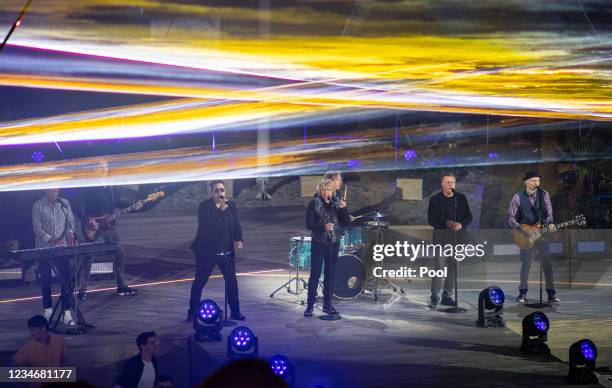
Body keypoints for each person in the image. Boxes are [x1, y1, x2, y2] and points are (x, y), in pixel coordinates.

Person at [188, 180, 245, 322]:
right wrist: (220, 211)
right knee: (200, 281)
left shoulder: (230, 205)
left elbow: (235, 223)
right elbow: (208, 228)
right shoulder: (204, 207)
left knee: (232, 282)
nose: (220, 193)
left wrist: (239, 239)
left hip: (226, 252)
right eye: (217, 191)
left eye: (222, 190)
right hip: (207, 252)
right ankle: (192, 312)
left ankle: (235, 311)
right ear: (211, 192)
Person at [76, 186, 139, 299]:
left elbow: (117, 203)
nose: (104, 171)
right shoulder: (87, 186)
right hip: (93, 226)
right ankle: (82, 290)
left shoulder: (110, 186)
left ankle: (121, 286)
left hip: (110, 225)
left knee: (119, 252)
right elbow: (79, 207)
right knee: (89, 256)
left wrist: (135, 205)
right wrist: (88, 220)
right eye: (100, 168)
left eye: (105, 168)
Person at [507, 171, 559, 304]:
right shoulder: (518, 196)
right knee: (526, 264)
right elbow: (510, 217)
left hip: (542, 234)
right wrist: (521, 229)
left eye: (537, 180)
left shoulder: (544, 194)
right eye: (532, 180)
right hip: (525, 235)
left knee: (547, 264)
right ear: (526, 182)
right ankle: (522, 293)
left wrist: (550, 223)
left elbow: (549, 213)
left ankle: (551, 294)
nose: (535, 183)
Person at [304, 179, 351, 317]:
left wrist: (344, 208)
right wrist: (323, 227)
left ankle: (327, 305)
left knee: (330, 275)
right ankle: (310, 305)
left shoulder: (337, 203)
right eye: (323, 190)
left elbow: (345, 222)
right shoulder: (314, 203)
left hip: (333, 243)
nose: (326, 192)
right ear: (320, 191)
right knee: (315, 274)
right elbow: (309, 224)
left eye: (328, 190)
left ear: (333, 191)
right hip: (319, 242)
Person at [32, 188, 77, 324]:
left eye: (56, 192)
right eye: (52, 191)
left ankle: (66, 313)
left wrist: (70, 234)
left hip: (61, 248)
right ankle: (48, 310)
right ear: (45, 191)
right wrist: (50, 239)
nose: (54, 194)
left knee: (68, 277)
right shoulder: (38, 205)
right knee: (46, 278)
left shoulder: (64, 203)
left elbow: (71, 222)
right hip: (44, 248)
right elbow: (37, 227)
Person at [427, 173, 473, 308]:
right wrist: (446, 223)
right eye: (447, 182)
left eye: (452, 182)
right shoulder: (435, 200)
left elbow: (469, 216)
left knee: (454, 268)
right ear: (442, 184)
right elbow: (431, 220)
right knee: (439, 268)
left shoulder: (460, 198)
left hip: (457, 239)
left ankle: (447, 296)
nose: (450, 185)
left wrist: (461, 224)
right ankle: (434, 295)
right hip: (441, 239)